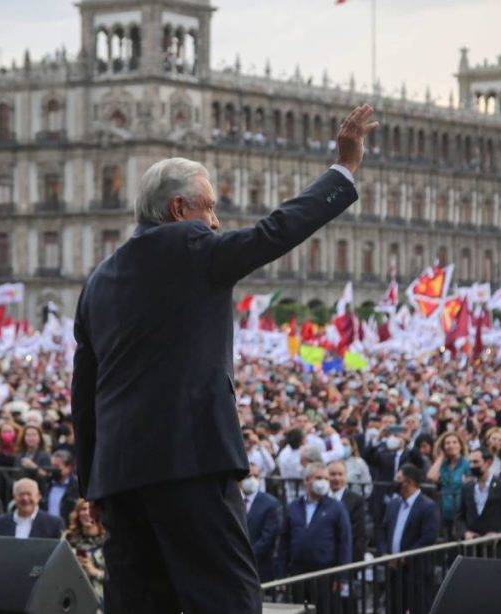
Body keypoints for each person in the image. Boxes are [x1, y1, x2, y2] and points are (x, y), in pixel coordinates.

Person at [71, 104, 375, 614]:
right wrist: (343, 169)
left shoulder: (98, 280)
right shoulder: (193, 247)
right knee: (226, 598)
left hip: (120, 479)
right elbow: (274, 232)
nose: (215, 221)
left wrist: (92, 486)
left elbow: (83, 395)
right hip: (190, 464)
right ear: (177, 210)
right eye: (208, 208)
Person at [278, 463, 352, 614]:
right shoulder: (294, 506)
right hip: (298, 572)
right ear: (307, 480)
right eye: (319, 478)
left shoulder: (336, 507)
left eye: (326, 478)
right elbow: (284, 543)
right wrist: (281, 573)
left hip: (325, 574)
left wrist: (342, 576)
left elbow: (345, 543)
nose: (323, 482)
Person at [378, 463, 440, 614]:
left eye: (398, 479)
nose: (394, 482)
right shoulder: (393, 504)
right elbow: (383, 530)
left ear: (409, 482)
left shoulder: (428, 506)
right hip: (393, 570)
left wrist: (405, 557)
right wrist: (385, 554)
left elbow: (428, 537)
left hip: (416, 571)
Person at [455, 449, 501, 539]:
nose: (472, 466)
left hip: (497, 544)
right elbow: (460, 517)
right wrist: (465, 533)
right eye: (470, 462)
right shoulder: (467, 488)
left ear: (488, 463)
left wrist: (499, 534)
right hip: (472, 543)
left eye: (476, 462)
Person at [240, 466, 281, 583]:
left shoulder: (270, 504)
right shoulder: (232, 500)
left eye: (256, 476)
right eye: (248, 476)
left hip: (261, 567)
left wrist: (247, 556)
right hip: (237, 566)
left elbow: (268, 537)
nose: (252, 479)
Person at [426, 432, 469, 537]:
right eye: (447, 443)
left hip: (461, 513)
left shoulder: (466, 464)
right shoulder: (443, 465)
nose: (451, 445)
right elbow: (431, 477)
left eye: (454, 442)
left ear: (460, 445)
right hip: (444, 512)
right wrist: (441, 457)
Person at [0, 478, 64, 538]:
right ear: (14, 497)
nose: (25, 498)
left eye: (29, 494)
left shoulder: (54, 524)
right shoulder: (0, 523)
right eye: (21, 494)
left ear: (38, 497)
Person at [65, 498, 106, 603]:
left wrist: (93, 571)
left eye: (91, 508)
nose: (87, 513)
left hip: (102, 598)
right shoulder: (68, 538)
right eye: (83, 509)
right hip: (74, 596)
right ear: (78, 514)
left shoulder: (108, 540)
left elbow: (118, 578)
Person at [328, 459, 367, 564]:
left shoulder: (356, 500)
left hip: (345, 558)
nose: (337, 478)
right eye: (333, 474)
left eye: (340, 474)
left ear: (346, 476)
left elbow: (358, 534)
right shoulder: (321, 498)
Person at [42, 450, 79, 521]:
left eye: (57, 467)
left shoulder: (76, 486)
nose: (53, 470)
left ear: (68, 468)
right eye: (52, 466)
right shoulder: (47, 483)